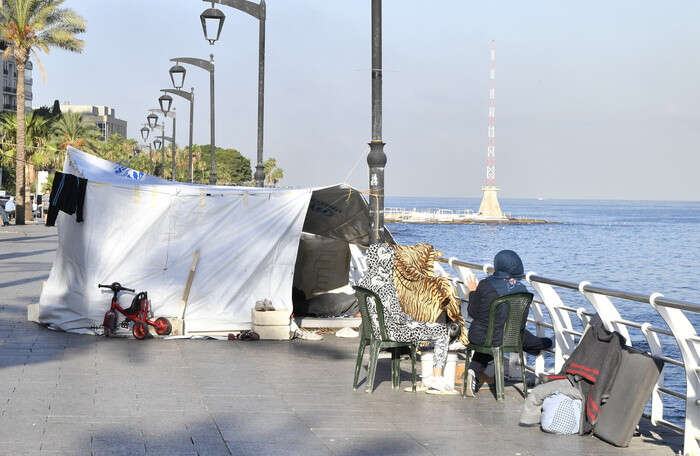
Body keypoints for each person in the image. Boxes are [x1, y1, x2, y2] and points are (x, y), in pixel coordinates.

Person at [359, 243, 453, 393]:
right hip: (392, 332)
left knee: (424, 329)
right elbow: (397, 318)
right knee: (443, 331)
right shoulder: (385, 286)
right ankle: (436, 378)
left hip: (373, 331)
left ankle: (427, 377)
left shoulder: (364, 282)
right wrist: (414, 321)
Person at [463, 249, 553, 396]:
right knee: (542, 342)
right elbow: (521, 323)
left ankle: (473, 372)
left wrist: (473, 291)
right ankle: (541, 347)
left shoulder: (485, 285)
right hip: (511, 338)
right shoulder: (522, 289)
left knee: (491, 342)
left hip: (480, 337)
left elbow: (473, 312)